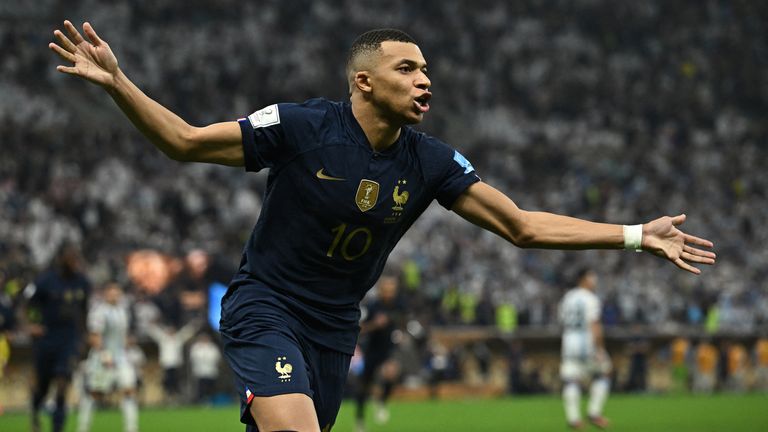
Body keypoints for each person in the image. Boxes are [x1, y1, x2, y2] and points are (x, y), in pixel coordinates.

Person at [48, 22, 716, 432]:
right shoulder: (304, 127)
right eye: (408, 69)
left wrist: (635, 234)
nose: (426, 80)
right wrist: (118, 84)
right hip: (266, 308)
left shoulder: (430, 161)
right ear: (364, 83)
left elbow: (521, 226)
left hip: (336, 329)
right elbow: (189, 142)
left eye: (426, 69)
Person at [22, 243, 91, 432]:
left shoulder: (83, 283)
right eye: (72, 258)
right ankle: (35, 411)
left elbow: (84, 311)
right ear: (61, 259)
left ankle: (57, 428)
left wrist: (84, 337)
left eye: (77, 258)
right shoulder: (45, 281)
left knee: (62, 382)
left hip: (69, 338)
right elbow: (26, 303)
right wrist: (30, 325)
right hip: (46, 338)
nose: (76, 262)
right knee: (43, 385)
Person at [77, 283, 139, 432]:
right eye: (112, 293)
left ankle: (131, 428)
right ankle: (83, 427)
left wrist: (128, 344)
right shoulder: (99, 312)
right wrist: (105, 355)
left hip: (121, 357)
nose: (115, 296)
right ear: (105, 294)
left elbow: (123, 336)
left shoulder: (123, 311)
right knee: (95, 393)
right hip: (102, 357)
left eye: (117, 293)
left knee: (129, 390)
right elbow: (94, 336)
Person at [558, 268, 611, 430]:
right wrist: (600, 348)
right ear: (582, 279)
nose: (594, 281)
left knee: (570, 380)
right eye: (591, 278)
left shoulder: (568, 297)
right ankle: (594, 412)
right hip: (586, 341)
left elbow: (562, 319)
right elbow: (594, 324)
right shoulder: (591, 299)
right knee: (604, 372)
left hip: (568, 341)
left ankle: (574, 419)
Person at [354, 275, 403, 431]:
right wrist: (375, 324)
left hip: (388, 349)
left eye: (392, 290)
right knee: (365, 387)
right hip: (372, 350)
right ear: (381, 290)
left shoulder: (398, 305)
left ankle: (382, 401)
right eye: (387, 290)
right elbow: (360, 328)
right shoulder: (372, 306)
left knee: (391, 372)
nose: (389, 293)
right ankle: (359, 419)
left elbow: (402, 321)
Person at [146, 318, 200, 403]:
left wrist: (194, 325)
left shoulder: (177, 339)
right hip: (166, 364)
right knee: (167, 381)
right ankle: (168, 396)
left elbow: (187, 332)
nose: (171, 332)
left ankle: (175, 396)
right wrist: (151, 325)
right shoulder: (163, 338)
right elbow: (154, 332)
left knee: (175, 381)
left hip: (176, 364)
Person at [189, 331, 223, 404]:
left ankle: (210, 400)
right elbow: (193, 357)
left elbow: (217, 357)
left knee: (210, 386)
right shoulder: (196, 347)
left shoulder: (212, 347)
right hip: (200, 371)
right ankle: (201, 400)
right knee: (201, 387)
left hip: (211, 370)